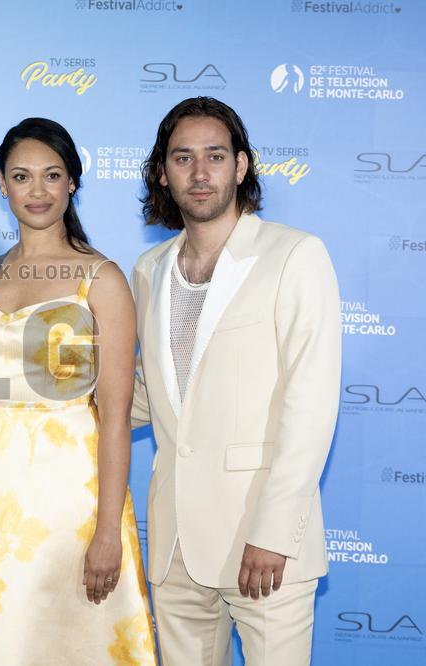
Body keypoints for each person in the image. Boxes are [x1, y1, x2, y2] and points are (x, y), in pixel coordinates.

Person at [0, 118, 157, 665]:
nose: (37, 191)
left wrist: (106, 535)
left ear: (72, 182)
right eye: (22, 176)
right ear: (1, 184)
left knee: (54, 639)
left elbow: (115, 417)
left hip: (67, 493)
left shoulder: (101, 279)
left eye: (52, 175)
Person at [132, 96, 341, 665]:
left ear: (241, 166)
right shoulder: (148, 271)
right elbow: (151, 396)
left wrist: (274, 532)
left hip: (263, 538)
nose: (200, 173)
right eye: (182, 158)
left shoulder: (294, 255)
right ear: (162, 173)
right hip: (175, 545)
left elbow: (311, 404)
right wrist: (23, 403)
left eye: (215, 156)